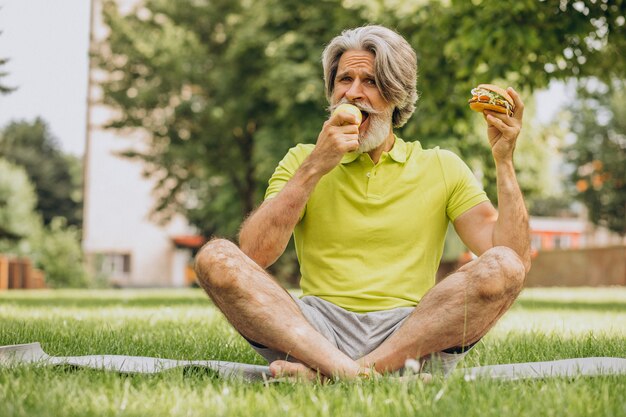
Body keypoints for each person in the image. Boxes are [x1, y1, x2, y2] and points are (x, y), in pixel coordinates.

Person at [194, 25, 531, 381]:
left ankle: (335, 374)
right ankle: (356, 372)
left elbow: (513, 260)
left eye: (370, 81)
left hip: (411, 334)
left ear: (397, 94)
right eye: (344, 80)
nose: (353, 93)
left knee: (502, 266)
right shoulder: (302, 160)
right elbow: (254, 254)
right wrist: (315, 167)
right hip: (314, 331)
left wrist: (504, 161)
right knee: (215, 257)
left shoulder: (441, 166)